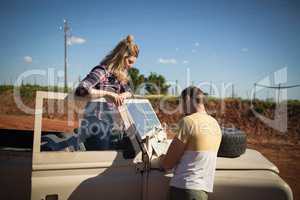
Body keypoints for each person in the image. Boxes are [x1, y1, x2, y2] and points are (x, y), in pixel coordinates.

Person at [74, 35, 139, 150]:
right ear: (121, 57)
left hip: (112, 126)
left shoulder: (119, 76)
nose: (131, 66)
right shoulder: (101, 71)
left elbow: (130, 91)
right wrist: (107, 94)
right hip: (96, 127)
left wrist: (125, 94)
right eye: (129, 62)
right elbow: (81, 90)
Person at [159, 86, 222, 200]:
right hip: (202, 192)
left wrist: (160, 158)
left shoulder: (188, 122)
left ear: (187, 99)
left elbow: (167, 164)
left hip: (183, 190)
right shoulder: (215, 124)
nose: (181, 107)